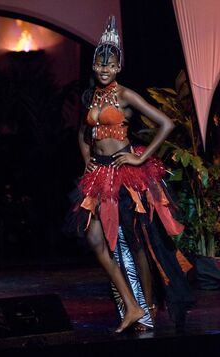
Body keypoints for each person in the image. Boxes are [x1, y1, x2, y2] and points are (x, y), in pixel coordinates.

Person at [65, 15, 194, 333]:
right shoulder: (92, 96)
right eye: (99, 65)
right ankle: (131, 305)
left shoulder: (125, 95)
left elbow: (166, 124)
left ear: (119, 67)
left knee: (136, 244)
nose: (103, 70)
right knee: (96, 239)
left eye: (109, 66)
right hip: (99, 176)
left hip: (125, 175)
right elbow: (83, 133)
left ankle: (146, 309)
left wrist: (140, 159)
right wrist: (87, 161)